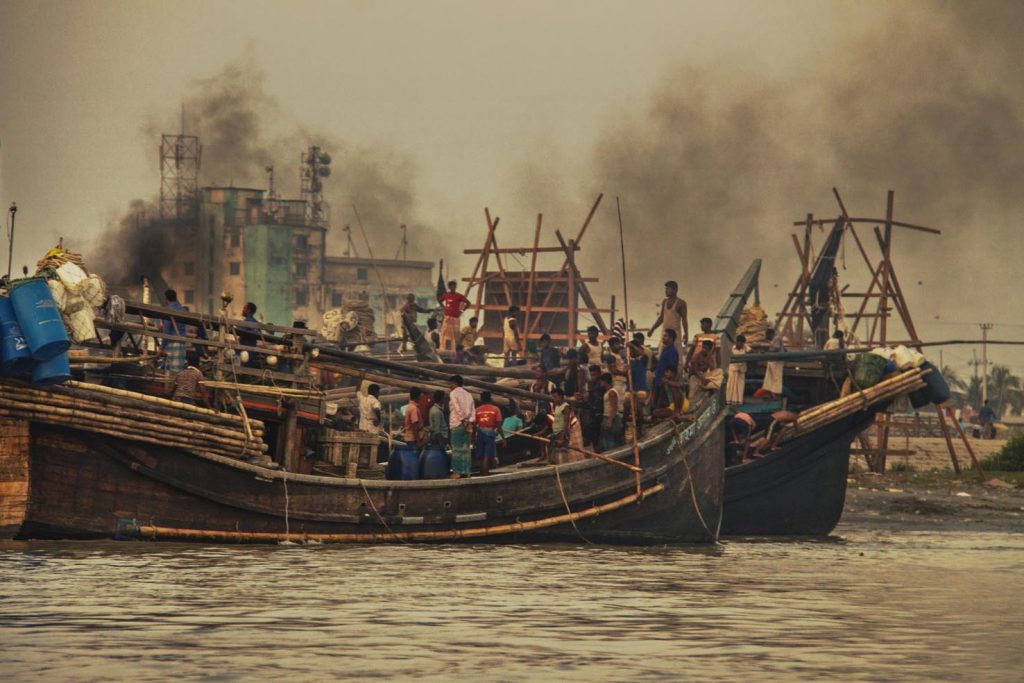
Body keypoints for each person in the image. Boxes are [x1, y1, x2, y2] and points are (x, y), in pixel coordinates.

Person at [648, 280, 688, 369]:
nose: (666, 291)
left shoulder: (681, 303)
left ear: (674, 290)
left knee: (677, 357)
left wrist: (686, 334)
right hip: (665, 333)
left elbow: (684, 319)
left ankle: (678, 377)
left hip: (675, 334)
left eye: (668, 289)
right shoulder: (664, 302)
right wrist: (652, 329)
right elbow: (661, 318)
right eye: (665, 289)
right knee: (661, 354)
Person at [448, 375, 476, 477]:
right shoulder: (469, 394)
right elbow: (473, 410)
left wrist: (463, 419)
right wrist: (470, 421)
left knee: (456, 449)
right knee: (466, 449)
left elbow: (457, 407)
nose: (450, 386)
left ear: (455, 383)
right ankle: (467, 472)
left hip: (457, 423)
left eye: (451, 384)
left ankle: (457, 472)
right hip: (468, 423)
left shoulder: (453, 393)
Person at [474, 391, 503, 475]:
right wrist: (503, 438)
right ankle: (485, 474)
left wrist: (472, 438)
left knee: (480, 456)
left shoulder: (477, 410)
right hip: (490, 433)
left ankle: (481, 474)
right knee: (487, 456)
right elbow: (499, 426)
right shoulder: (495, 409)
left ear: (481, 399)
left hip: (480, 433)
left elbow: (474, 426)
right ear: (490, 399)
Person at [161, 289, 189, 373]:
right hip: (182, 343)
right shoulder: (183, 310)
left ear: (166, 299)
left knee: (170, 372)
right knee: (178, 371)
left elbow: (166, 331)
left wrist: (161, 347)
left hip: (172, 343)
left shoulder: (168, 310)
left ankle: (170, 386)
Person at [437, 280, 469, 352]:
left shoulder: (459, 296)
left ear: (455, 287)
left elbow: (468, 303)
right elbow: (439, 300)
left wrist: (461, 311)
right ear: (449, 287)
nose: (453, 288)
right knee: (446, 335)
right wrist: (443, 307)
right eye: (451, 286)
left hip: (455, 318)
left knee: (456, 335)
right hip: (447, 317)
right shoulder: (446, 295)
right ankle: (445, 350)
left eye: (454, 286)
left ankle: (455, 350)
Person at [687, 339, 717, 408]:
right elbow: (695, 369)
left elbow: (712, 369)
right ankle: (691, 409)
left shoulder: (709, 357)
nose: (703, 350)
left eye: (706, 348)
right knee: (692, 395)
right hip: (694, 376)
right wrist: (702, 378)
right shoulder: (697, 356)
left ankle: (700, 408)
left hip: (703, 375)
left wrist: (709, 358)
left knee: (703, 393)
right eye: (703, 347)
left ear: (709, 349)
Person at [652, 329, 680, 398]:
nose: (663, 338)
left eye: (665, 336)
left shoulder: (672, 351)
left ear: (671, 338)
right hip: (658, 381)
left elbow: (672, 368)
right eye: (663, 336)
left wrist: (666, 380)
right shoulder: (665, 350)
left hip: (664, 384)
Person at [598, 372, 622, 451]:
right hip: (607, 416)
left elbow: (614, 407)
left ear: (605, 381)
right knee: (606, 440)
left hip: (611, 417)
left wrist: (610, 420)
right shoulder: (607, 392)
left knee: (611, 441)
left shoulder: (612, 392)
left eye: (601, 381)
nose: (600, 383)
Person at [584, 363, 604, 447]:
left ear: (599, 374)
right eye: (591, 375)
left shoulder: (603, 384)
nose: (592, 377)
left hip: (601, 413)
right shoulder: (590, 384)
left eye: (594, 375)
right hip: (592, 413)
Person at [761, 328, 786, 396]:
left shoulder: (776, 338)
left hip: (777, 361)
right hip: (773, 360)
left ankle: (776, 393)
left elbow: (776, 348)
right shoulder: (773, 340)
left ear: (770, 334)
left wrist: (767, 352)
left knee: (776, 377)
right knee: (770, 377)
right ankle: (770, 392)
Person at [627, 332, 650, 399]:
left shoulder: (643, 360)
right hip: (630, 389)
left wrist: (632, 346)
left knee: (640, 407)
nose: (631, 351)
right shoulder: (628, 361)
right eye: (630, 350)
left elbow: (644, 354)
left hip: (641, 389)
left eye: (632, 349)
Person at [726, 334, 748, 405]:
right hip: (733, 369)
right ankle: (729, 400)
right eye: (739, 342)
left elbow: (752, 351)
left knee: (740, 386)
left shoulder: (744, 348)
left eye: (742, 343)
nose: (741, 344)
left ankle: (738, 401)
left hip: (741, 370)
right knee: (731, 386)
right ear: (737, 342)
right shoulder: (732, 349)